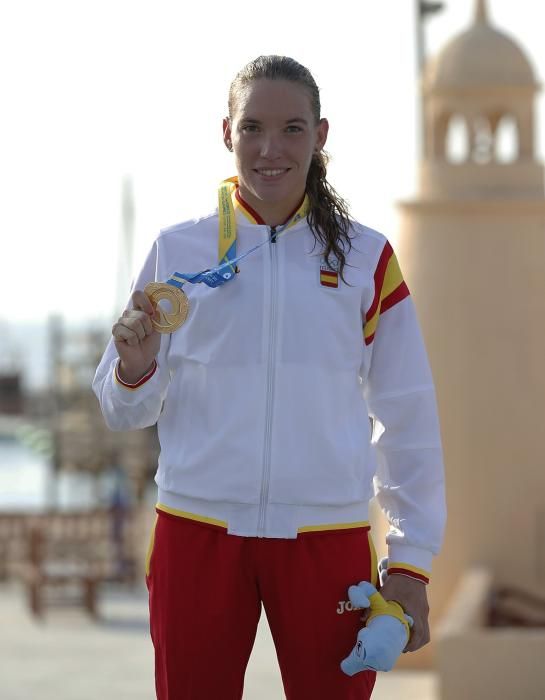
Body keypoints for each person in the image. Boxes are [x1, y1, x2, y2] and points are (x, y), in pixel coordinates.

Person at [93, 55, 446, 700]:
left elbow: (409, 417)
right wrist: (135, 371)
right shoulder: (179, 252)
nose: (270, 148)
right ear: (226, 132)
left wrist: (412, 565)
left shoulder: (368, 260)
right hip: (196, 533)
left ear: (321, 136)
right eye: (252, 126)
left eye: (292, 128)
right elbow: (123, 410)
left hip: (327, 540)